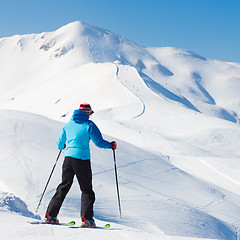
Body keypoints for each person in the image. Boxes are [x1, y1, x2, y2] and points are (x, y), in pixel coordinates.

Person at [43, 103, 117, 227]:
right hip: (82, 160)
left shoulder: (68, 125)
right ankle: (87, 219)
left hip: (68, 159)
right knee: (86, 190)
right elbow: (98, 142)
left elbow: (60, 143)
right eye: (90, 113)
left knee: (63, 186)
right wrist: (111, 145)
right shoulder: (89, 125)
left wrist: (64, 146)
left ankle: (50, 215)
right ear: (87, 113)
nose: (91, 115)